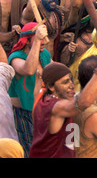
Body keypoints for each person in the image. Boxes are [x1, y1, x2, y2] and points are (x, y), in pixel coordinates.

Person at [29, 45, 97, 158]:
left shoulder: (44, 98)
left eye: (70, 79)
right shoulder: (56, 107)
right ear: (51, 87)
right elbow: (82, 103)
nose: (71, 85)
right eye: (65, 82)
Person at [8, 23, 50, 157]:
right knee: (30, 151)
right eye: (39, 38)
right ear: (27, 41)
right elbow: (29, 69)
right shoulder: (15, 57)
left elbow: (54, 71)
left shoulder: (44, 54)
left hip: (42, 111)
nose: (43, 42)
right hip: (23, 114)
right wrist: (37, 40)